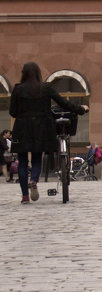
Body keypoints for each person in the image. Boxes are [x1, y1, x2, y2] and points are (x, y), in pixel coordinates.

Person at [9, 62, 89, 204]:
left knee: (22, 162)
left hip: (22, 128)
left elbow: (12, 112)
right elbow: (63, 103)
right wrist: (80, 109)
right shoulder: (45, 88)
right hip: (41, 128)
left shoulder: (18, 89)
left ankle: (25, 196)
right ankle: (33, 180)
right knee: (36, 159)